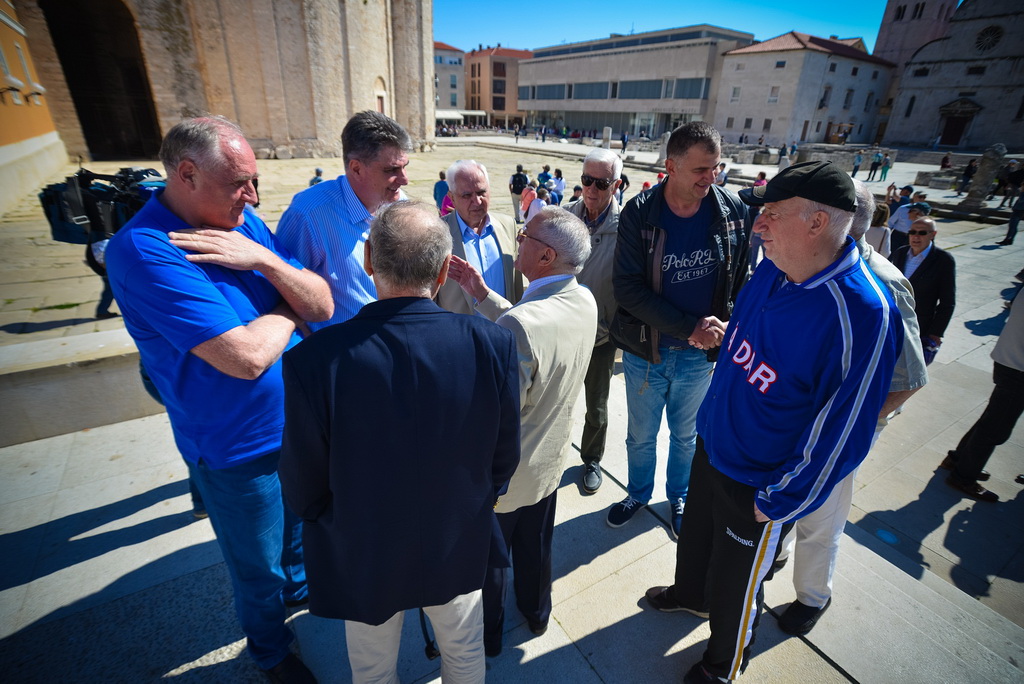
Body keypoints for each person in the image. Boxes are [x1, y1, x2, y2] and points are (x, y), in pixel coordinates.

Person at [644, 161, 902, 684]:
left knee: (739, 585)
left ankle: (723, 663)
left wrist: (776, 501)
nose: (757, 225)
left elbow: (844, 432)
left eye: (771, 214)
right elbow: (748, 329)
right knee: (694, 539)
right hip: (713, 444)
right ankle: (689, 594)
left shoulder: (863, 313)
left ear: (817, 223)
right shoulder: (773, 265)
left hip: (759, 481)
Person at [105, 116, 334, 682]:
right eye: (240, 183)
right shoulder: (143, 252)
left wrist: (264, 261)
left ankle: (303, 596)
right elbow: (248, 358)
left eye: (253, 181)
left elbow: (323, 304)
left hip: (293, 426)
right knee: (257, 568)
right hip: (235, 448)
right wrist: (287, 308)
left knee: (299, 532)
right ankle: (271, 652)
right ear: (186, 174)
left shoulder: (241, 222)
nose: (252, 196)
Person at [279, 201, 520, 683]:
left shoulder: (314, 360)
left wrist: (339, 522)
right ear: (442, 272)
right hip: (456, 537)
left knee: (371, 668)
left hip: (364, 546)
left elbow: (304, 482)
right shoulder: (491, 342)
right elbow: (504, 456)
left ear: (368, 260)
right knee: (465, 655)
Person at [772, 180, 928, 636]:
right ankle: (775, 555)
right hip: (793, 418)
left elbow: (909, 379)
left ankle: (812, 597)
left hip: (839, 429)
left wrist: (854, 425)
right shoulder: (802, 264)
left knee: (821, 516)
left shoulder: (883, 284)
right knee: (785, 499)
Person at [447, 206, 597, 658]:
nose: (517, 240)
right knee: (536, 550)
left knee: (492, 563)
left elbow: (499, 413)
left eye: (524, 236)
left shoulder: (521, 325)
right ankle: (536, 613)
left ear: (546, 256)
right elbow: (536, 327)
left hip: (508, 477)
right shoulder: (583, 298)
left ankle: (490, 636)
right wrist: (481, 293)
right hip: (549, 463)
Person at [607, 121, 750, 539]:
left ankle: (679, 495)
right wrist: (691, 326)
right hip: (646, 352)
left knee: (686, 437)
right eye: (701, 170)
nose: (712, 178)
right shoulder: (640, 212)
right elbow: (627, 289)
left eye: (716, 168)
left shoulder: (732, 211)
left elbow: (741, 280)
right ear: (670, 166)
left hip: (698, 358)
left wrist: (722, 327)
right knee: (640, 437)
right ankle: (637, 492)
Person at [277, 111, 412, 329]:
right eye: (391, 170)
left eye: (405, 166)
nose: (405, 179)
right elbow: (285, 296)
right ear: (356, 168)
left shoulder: (400, 205)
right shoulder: (309, 215)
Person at [565, 148, 622, 493]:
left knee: (596, 408)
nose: (591, 189)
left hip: (601, 340)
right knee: (553, 402)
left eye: (600, 183)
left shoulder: (626, 227)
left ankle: (591, 459)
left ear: (615, 186)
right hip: (562, 335)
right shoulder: (564, 218)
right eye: (586, 180)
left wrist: (610, 327)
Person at [941, 295, 1024, 503]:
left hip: (1009, 358)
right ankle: (963, 477)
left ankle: (959, 459)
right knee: (996, 427)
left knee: (993, 416)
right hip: (1018, 366)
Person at [435, 160, 523, 315]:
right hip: (461, 335)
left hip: (504, 331)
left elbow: (517, 283)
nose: (476, 201)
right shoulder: (436, 233)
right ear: (452, 198)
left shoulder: (508, 225)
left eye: (482, 192)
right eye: (467, 195)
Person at [891, 217, 956, 365]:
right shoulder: (900, 253)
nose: (916, 236)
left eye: (922, 232)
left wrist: (936, 332)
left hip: (919, 325)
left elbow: (948, 301)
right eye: (912, 232)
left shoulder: (943, 260)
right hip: (892, 321)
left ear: (933, 234)